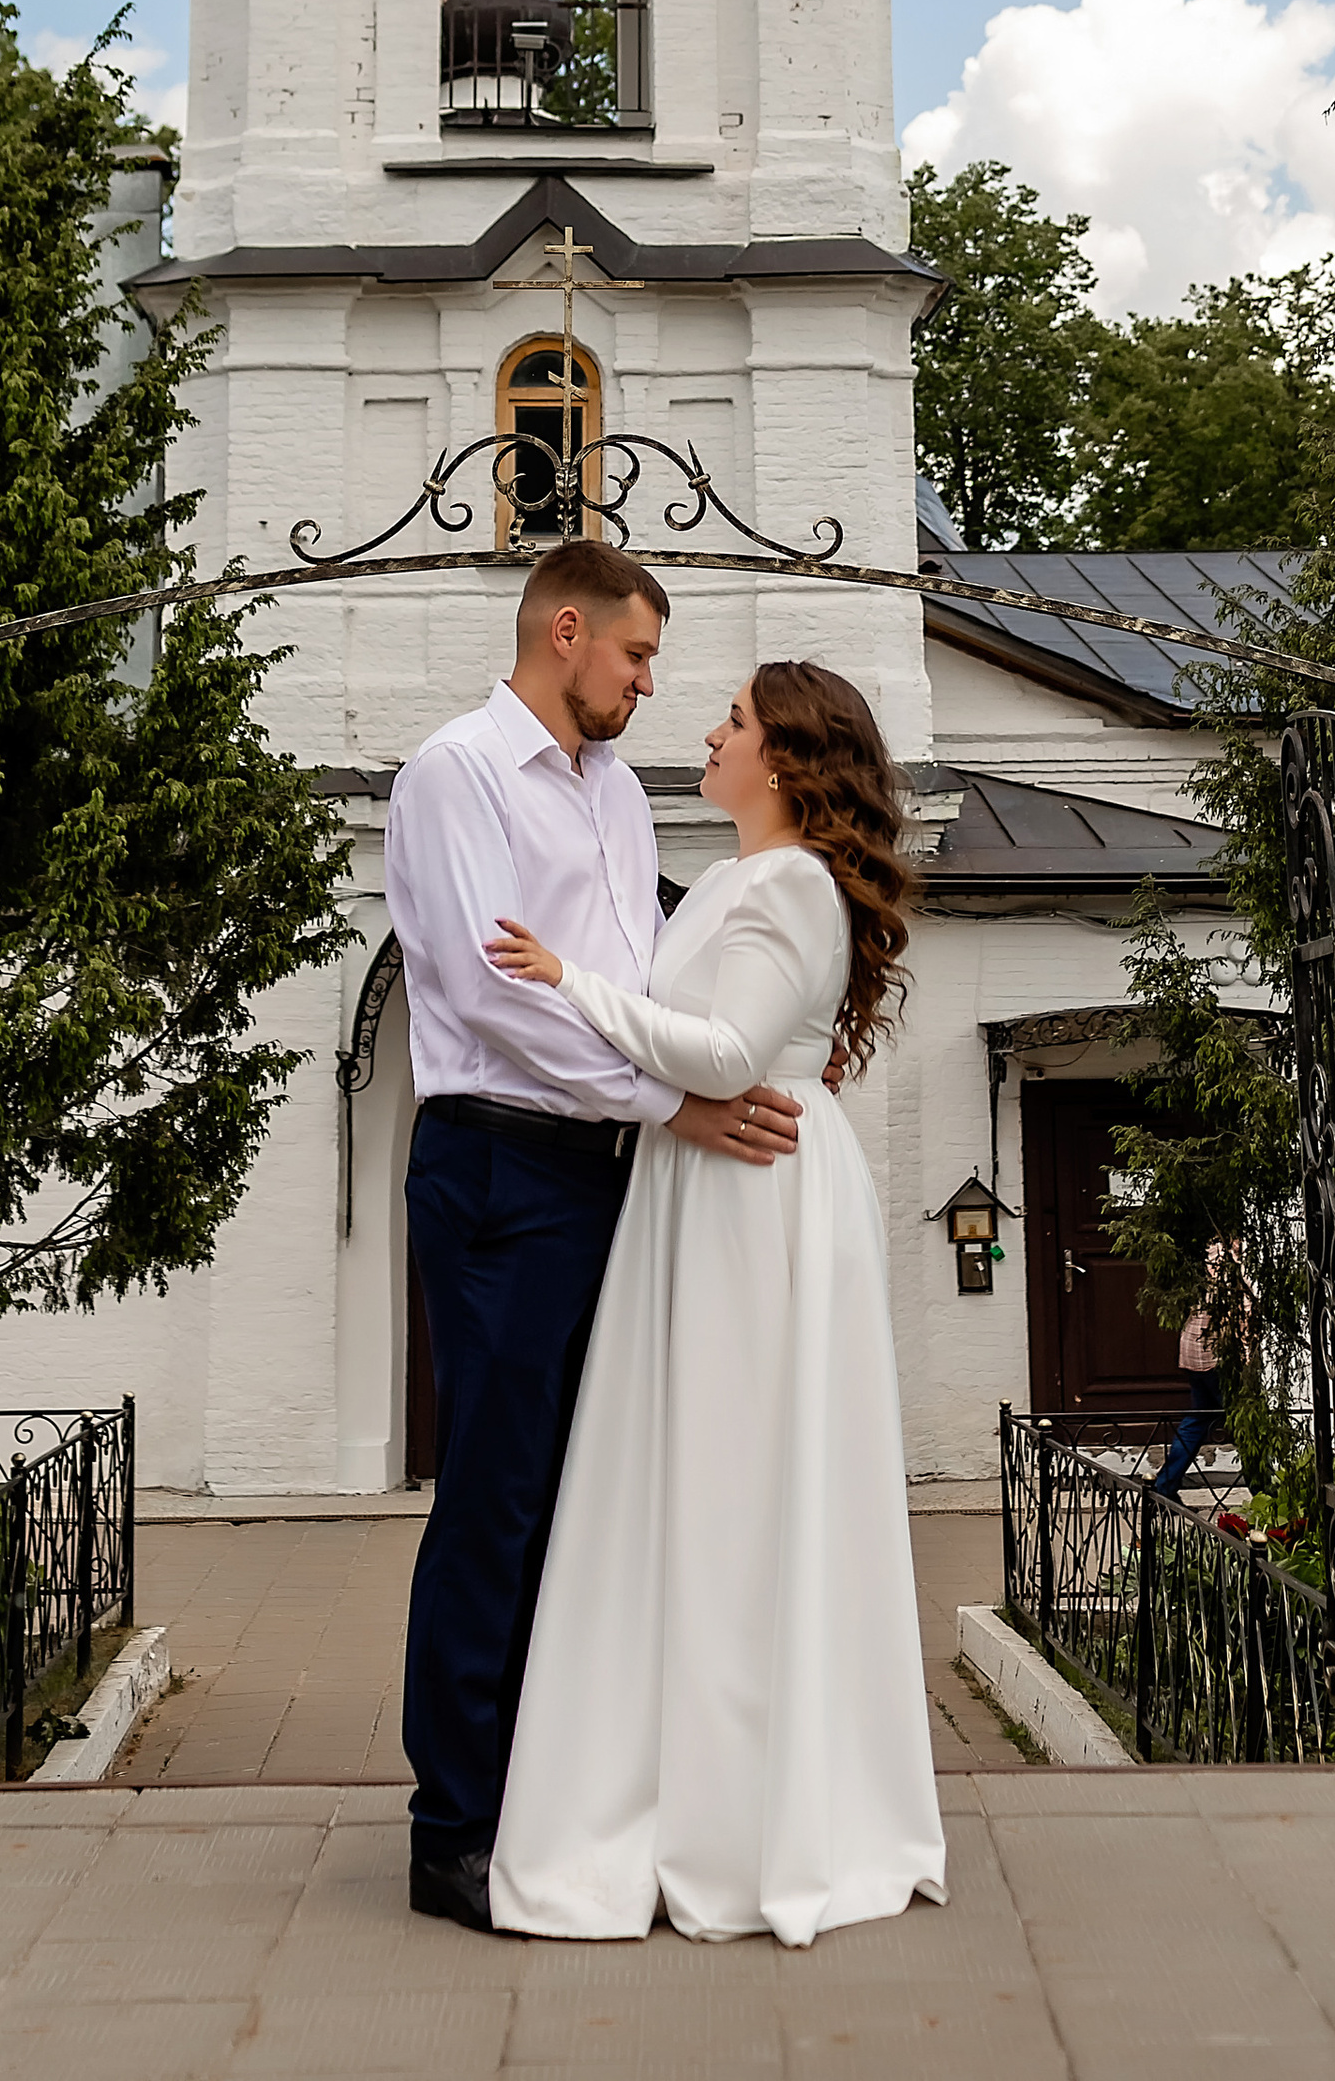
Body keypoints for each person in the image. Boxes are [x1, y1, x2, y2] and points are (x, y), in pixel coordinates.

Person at [481, 660, 948, 1948]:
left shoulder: (792, 884)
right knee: (687, 1487)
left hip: (759, 1209)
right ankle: (686, 1787)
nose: (707, 731)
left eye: (733, 722)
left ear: (786, 761)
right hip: (699, 1195)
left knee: (741, 1492)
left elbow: (732, 1057)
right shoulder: (742, 882)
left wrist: (568, 982)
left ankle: (753, 1814)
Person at [384, 541, 807, 1937]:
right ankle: (455, 1829)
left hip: (606, 1173)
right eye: (636, 660)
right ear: (568, 633)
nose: (646, 687)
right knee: (496, 1501)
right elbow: (484, 997)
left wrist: (695, 1071)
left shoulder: (620, 799)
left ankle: (563, 1801)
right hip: (499, 1168)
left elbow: (623, 986)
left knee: (590, 1500)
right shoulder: (456, 774)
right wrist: (672, 1104)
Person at [1150, 1257, 1226, 1504]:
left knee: (1198, 1418)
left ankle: (1164, 1487)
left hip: (1194, 1349)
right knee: (1247, 1427)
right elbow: (1242, 1304)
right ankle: (1265, 1493)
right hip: (1221, 1354)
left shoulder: (1199, 1251)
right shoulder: (1232, 1255)